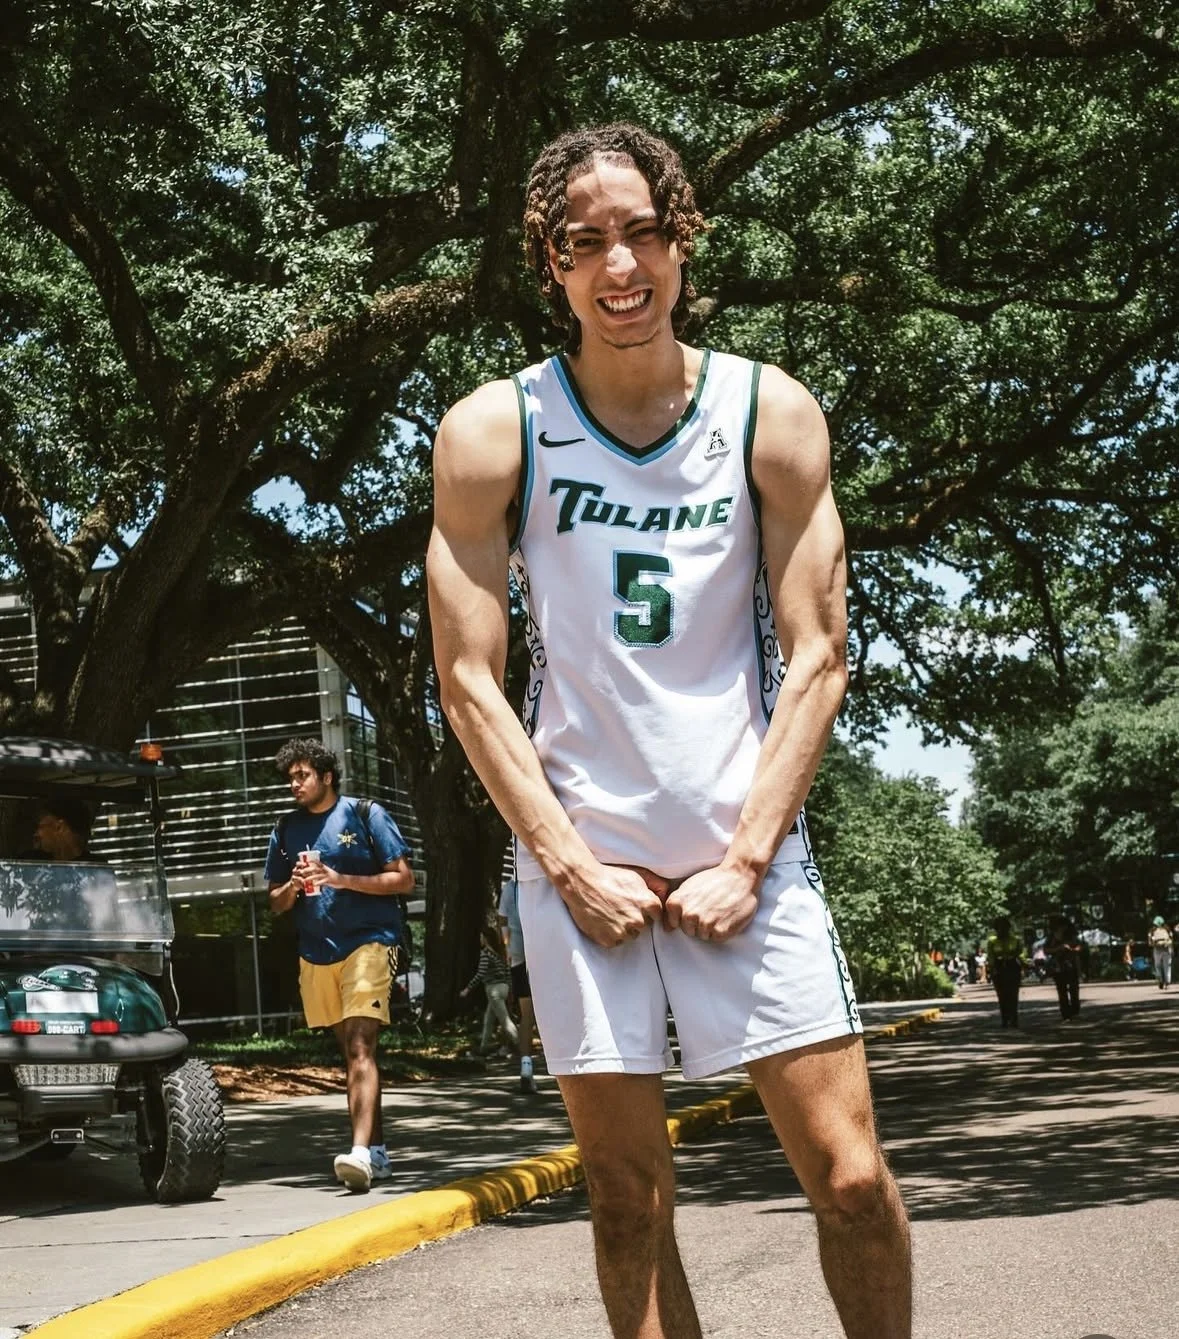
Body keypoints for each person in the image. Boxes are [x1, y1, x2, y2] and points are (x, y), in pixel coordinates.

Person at [427, 122, 910, 1339]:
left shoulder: (769, 412)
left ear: (683, 237)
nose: (620, 265)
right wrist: (569, 864)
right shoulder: (494, 432)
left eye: (642, 231)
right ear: (552, 264)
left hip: (747, 852)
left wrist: (748, 856)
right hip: (582, 860)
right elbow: (469, 680)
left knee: (852, 1180)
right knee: (629, 1201)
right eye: (585, 243)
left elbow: (817, 653)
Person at [264, 737, 414, 1192]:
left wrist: (339, 879)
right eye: (290, 777)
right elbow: (273, 903)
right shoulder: (285, 829)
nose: (295, 784)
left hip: (369, 942)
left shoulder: (365, 813)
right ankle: (378, 1150)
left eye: (302, 775)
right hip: (317, 951)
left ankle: (359, 1154)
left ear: (326, 777)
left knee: (360, 1047)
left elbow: (403, 879)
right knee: (351, 1053)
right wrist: (292, 887)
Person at [498, 874, 538, 1092]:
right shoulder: (544, 880)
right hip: (547, 954)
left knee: (526, 1016)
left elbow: (501, 919)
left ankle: (526, 1067)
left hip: (519, 956)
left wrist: (507, 949)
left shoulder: (509, 888)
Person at [459, 926, 519, 1057]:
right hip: (503, 987)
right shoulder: (498, 953)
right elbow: (507, 972)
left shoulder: (485, 953)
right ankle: (483, 1048)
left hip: (494, 990)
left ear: (486, 939)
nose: (480, 940)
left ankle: (520, 1046)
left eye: (481, 937)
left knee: (505, 1020)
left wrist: (467, 989)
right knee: (489, 1020)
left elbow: (480, 974)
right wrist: (510, 989)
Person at [985, 916, 1025, 1028]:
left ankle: (1014, 1018)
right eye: (999, 928)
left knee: (1013, 994)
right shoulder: (992, 941)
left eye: (1004, 928)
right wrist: (992, 969)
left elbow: (1020, 954)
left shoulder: (1015, 940)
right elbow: (991, 956)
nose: (1002, 930)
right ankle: (1005, 1018)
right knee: (1002, 995)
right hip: (999, 967)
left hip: (1012, 967)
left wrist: (1025, 964)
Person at [1046, 916, 1082, 1020]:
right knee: (1061, 990)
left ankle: (1075, 1010)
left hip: (1071, 964)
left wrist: (1072, 949)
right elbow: (1046, 950)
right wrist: (1059, 948)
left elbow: (1079, 947)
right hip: (1058, 966)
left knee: (1074, 989)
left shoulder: (1071, 936)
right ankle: (1065, 1012)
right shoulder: (1051, 937)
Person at [1148, 916, 1173, 990]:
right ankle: (1167, 983)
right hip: (1166, 949)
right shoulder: (1167, 930)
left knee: (1158, 966)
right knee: (1167, 967)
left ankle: (1161, 981)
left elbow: (1150, 943)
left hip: (1157, 950)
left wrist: (1155, 943)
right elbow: (1171, 940)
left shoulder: (1152, 931)